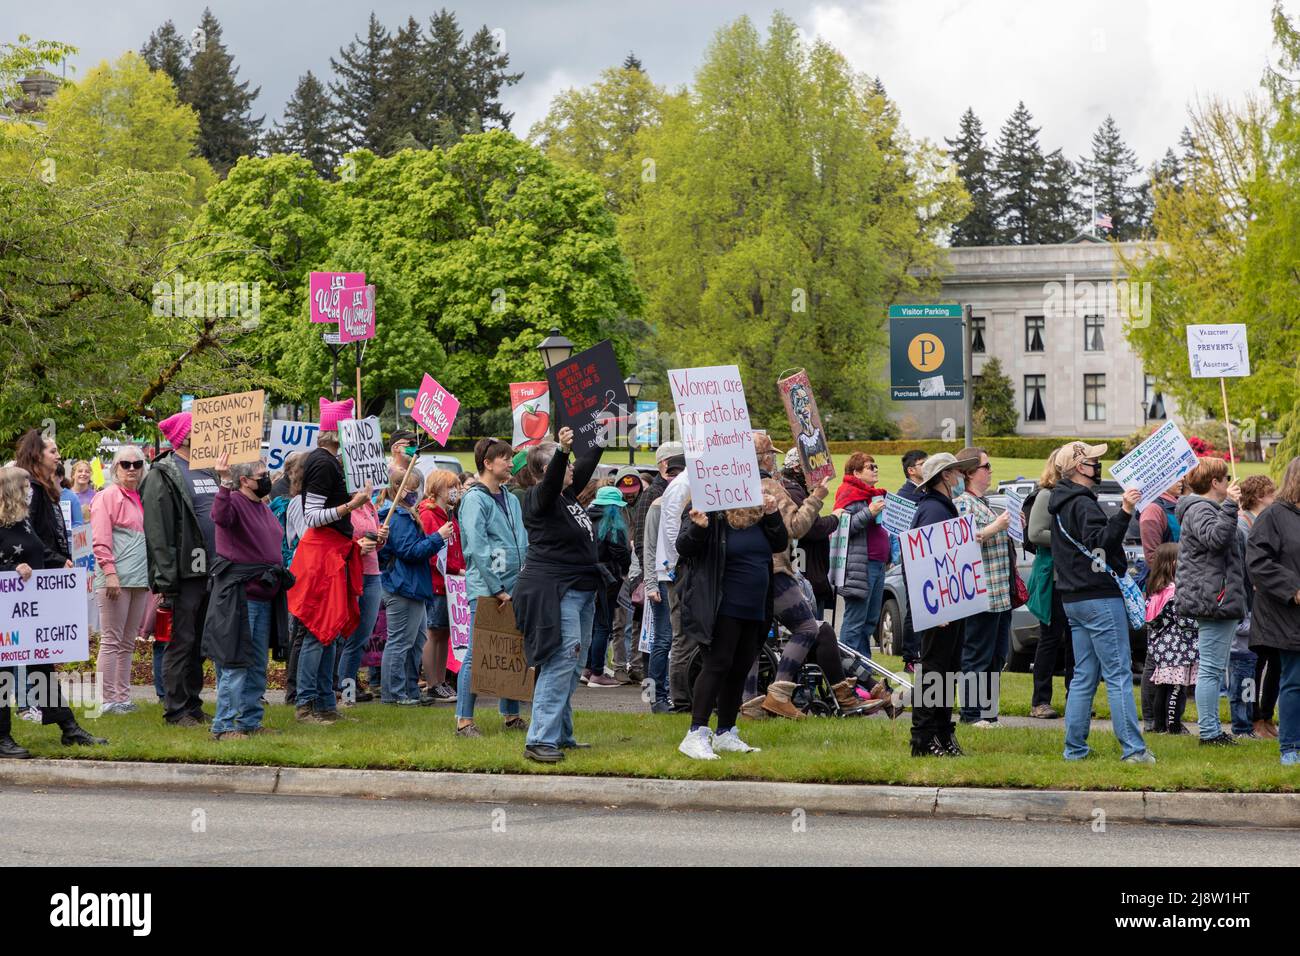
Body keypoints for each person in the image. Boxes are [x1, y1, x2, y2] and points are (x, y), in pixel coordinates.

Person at [754, 435, 882, 720]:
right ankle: (779, 694)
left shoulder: (737, 486)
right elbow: (799, 527)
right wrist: (818, 498)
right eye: (770, 455)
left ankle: (750, 703)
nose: (773, 460)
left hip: (748, 572)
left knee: (754, 639)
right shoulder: (769, 486)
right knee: (808, 628)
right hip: (775, 569)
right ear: (764, 457)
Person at [1048, 441, 1151, 763]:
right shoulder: (1083, 504)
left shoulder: (1060, 502)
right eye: (1093, 460)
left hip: (1074, 599)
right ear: (1080, 467)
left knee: (1084, 676)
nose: (1098, 464)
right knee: (1118, 675)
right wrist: (1124, 512)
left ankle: (1074, 749)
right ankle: (1134, 751)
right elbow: (1101, 546)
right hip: (1100, 598)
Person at [0, 465, 107, 757]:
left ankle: (68, 728)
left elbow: (37, 550)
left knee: (43, 669)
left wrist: (61, 561)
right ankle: (2, 737)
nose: (31, 490)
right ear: (12, 489)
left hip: (32, 613)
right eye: (25, 485)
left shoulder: (21, 521)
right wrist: (10, 569)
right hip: (5, 615)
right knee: (4, 674)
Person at [512, 428, 603, 762]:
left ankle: (561, 734)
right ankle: (539, 740)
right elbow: (552, 482)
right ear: (542, 471)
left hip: (579, 591)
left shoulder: (566, 497)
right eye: (565, 465)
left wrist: (605, 435)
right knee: (560, 661)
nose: (571, 470)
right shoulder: (538, 497)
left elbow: (586, 466)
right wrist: (563, 450)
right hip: (554, 591)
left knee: (572, 664)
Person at [676, 493, 788, 759]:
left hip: (754, 606)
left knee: (739, 668)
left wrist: (772, 513)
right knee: (717, 664)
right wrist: (698, 528)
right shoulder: (706, 509)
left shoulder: (756, 512)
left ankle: (726, 731)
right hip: (722, 605)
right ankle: (696, 732)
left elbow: (780, 543)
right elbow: (684, 547)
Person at [286, 399, 370, 724]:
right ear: (338, 429)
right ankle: (306, 705)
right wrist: (351, 506)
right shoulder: (322, 463)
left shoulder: (329, 461)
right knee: (316, 631)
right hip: (322, 555)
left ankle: (325, 705)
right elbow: (313, 515)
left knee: (330, 633)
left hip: (332, 552)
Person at [203, 453, 295, 740]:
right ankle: (224, 726)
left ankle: (250, 721)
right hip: (240, 596)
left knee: (256, 663)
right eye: (261, 475)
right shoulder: (233, 502)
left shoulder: (261, 505)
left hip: (264, 594)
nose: (267, 479)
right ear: (244, 480)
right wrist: (224, 483)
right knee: (235, 661)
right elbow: (220, 517)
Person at [140, 412, 217, 726]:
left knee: (198, 643)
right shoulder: (163, 474)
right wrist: (166, 578)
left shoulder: (208, 470)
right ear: (185, 436)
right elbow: (158, 532)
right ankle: (175, 709)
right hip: (182, 575)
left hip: (209, 571)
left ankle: (193, 704)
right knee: (179, 642)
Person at [907, 452, 979, 757]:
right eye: (956, 473)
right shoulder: (935, 510)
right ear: (945, 477)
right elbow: (929, 563)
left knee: (946, 669)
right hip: (938, 609)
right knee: (935, 670)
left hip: (946, 605)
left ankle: (941, 732)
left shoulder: (939, 508)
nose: (961, 477)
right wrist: (936, 608)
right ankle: (923, 738)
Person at [455, 437, 528, 737]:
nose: (511, 464)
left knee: (511, 651)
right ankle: (463, 720)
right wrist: (497, 588)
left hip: (514, 587)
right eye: (505, 458)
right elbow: (477, 548)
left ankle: (511, 715)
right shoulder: (475, 499)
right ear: (487, 463)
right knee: (476, 653)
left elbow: (522, 539)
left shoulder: (510, 498)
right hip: (487, 589)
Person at [1175, 456, 1247, 746]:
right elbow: (1216, 539)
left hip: (1218, 596)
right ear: (1215, 482)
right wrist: (1230, 506)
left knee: (1214, 666)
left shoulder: (1207, 508)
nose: (1230, 482)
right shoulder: (1200, 508)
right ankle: (1209, 732)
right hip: (1213, 598)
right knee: (1211, 669)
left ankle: (1213, 729)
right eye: (1226, 478)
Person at [1243, 457, 1300, 765]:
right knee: (1294, 680)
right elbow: (1258, 563)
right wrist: (1293, 590)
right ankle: (1291, 747)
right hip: (1286, 615)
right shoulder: (1274, 517)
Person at [377, 465, 450, 705]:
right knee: (399, 642)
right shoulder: (397, 517)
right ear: (397, 489)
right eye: (412, 487)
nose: (416, 492)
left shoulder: (406, 514)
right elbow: (409, 551)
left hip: (413, 586)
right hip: (402, 586)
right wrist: (437, 537)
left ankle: (409, 688)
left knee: (416, 641)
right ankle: (393, 693)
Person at [954, 447, 1013, 728]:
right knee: (977, 654)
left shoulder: (984, 501)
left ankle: (988, 713)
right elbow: (966, 539)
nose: (990, 471)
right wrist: (996, 526)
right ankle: (972, 713)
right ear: (968, 473)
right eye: (985, 467)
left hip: (999, 593)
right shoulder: (964, 502)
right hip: (982, 593)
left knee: (995, 657)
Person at [90, 446, 151, 714]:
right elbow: (101, 539)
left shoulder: (141, 497)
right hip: (116, 579)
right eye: (125, 464)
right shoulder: (106, 497)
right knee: (112, 640)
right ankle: (106, 700)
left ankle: (122, 697)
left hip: (138, 579)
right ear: (115, 468)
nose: (131, 469)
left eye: (137, 464)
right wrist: (110, 573)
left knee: (128, 641)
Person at [1024, 451, 1074, 719]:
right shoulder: (1046, 495)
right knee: (1051, 639)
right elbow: (1035, 533)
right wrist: (1069, 538)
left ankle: (1074, 698)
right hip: (1052, 578)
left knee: (1075, 642)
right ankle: (1040, 701)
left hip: (1071, 577)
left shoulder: (1072, 495)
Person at [641, 442, 686, 713]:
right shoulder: (658, 504)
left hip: (674, 576)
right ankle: (655, 697)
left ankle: (663, 693)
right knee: (662, 639)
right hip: (661, 578)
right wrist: (649, 583)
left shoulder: (677, 501)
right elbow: (647, 545)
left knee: (670, 638)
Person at [336, 467, 386, 705]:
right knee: (349, 637)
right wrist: (357, 547)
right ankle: (345, 692)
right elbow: (339, 542)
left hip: (372, 574)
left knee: (362, 636)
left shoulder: (369, 506)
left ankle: (349, 689)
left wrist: (380, 538)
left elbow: (374, 543)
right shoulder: (344, 506)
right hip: (351, 575)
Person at [1137, 478, 1184, 729]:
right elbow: (1153, 556)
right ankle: (1152, 719)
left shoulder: (1179, 505)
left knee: (1179, 659)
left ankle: (1172, 718)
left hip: (1181, 590)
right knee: (1155, 659)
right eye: (1177, 476)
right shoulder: (1153, 511)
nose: (1183, 480)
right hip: (1162, 594)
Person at [834, 452, 889, 659]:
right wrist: (870, 512)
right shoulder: (848, 493)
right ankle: (847, 671)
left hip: (877, 563)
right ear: (856, 472)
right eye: (870, 467)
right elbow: (843, 529)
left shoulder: (872, 495)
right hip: (860, 566)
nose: (875, 469)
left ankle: (864, 668)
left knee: (870, 621)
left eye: (875, 466)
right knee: (855, 620)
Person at [418, 469, 465, 703]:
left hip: (451, 583)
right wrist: (455, 569)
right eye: (450, 487)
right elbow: (431, 551)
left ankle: (441, 680)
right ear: (436, 490)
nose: (455, 491)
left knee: (445, 633)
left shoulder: (448, 515)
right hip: (437, 582)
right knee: (434, 632)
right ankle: (432, 682)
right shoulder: (428, 515)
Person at [1239, 475, 1279, 739]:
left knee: (1275, 662)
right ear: (1259, 495)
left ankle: (1266, 714)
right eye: (1271, 493)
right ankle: (1252, 717)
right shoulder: (1243, 527)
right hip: (1252, 606)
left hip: (1270, 605)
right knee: (1253, 665)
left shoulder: (1268, 523)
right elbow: (1245, 568)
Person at [1144, 543, 1198, 735]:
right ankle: (1174, 726)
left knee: (1162, 689)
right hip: (1177, 649)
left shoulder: (1156, 590)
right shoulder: (1175, 592)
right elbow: (1183, 620)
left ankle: (1159, 725)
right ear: (1172, 564)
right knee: (1176, 688)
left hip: (1162, 648)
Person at [583, 485, 632, 688]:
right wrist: (625, 567)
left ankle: (586, 669)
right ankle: (597, 672)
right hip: (608, 579)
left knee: (590, 624)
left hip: (586, 577)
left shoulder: (584, 519)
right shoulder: (613, 523)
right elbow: (621, 552)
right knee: (603, 624)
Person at [657, 463, 695, 710]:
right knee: (682, 634)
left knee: (688, 633)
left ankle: (686, 693)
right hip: (678, 571)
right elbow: (673, 530)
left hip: (681, 568)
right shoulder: (683, 486)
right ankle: (681, 698)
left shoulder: (686, 484)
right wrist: (680, 565)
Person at [609, 466, 645, 684]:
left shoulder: (646, 504)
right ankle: (619, 665)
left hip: (640, 570)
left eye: (633, 490)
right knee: (619, 622)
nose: (629, 494)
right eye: (625, 490)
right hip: (620, 572)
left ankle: (637, 665)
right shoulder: (613, 508)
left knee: (640, 622)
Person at [895, 450, 928, 670]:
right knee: (915, 606)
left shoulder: (927, 491)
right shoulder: (906, 496)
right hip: (914, 560)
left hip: (928, 558)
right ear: (911, 470)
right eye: (923, 464)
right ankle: (911, 655)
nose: (928, 467)